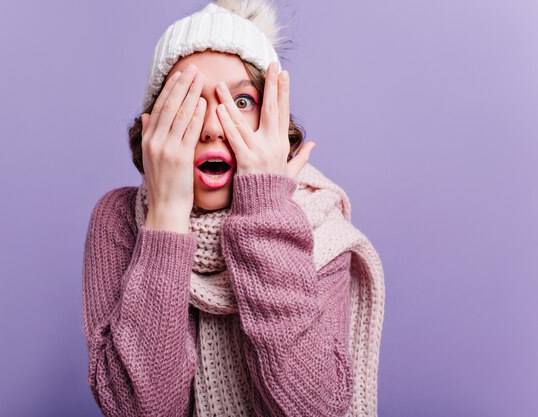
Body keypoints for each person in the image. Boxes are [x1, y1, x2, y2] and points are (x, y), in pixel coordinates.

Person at [81, 1, 385, 416]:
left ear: (274, 122)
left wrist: (265, 211)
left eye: (241, 102)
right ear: (154, 128)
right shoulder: (119, 220)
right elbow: (139, 409)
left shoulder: (316, 219)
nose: (211, 126)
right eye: (187, 101)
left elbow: (314, 408)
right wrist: (167, 217)